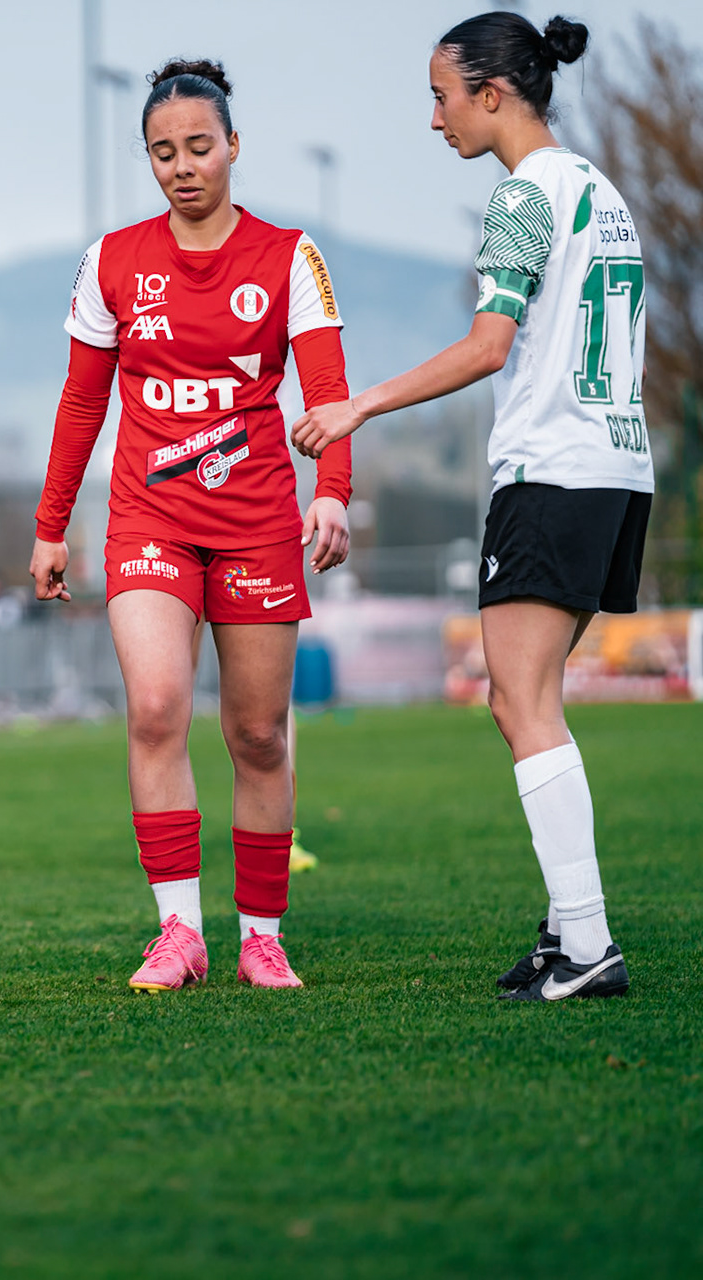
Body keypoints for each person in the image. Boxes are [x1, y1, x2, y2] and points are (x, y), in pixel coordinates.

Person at [293, 13, 640, 1002]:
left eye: (442, 95)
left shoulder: (525, 197)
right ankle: (565, 926)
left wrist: (356, 402)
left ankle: (586, 943)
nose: (434, 117)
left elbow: (491, 345)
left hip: (553, 473)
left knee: (520, 703)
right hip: (615, 470)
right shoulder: (597, 191)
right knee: (530, 700)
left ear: (493, 92)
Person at [30, 57, 353, 992]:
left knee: (257, 735)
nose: (183, 166)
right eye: (163, 152)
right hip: (147, 520)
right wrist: (52, 525)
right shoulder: (114, 260)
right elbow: (82, 402)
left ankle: (261, 934)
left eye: (199, 147)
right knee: (157, 708)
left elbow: (327, 393)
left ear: (234, 147)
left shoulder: (290, 256)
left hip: (256, 522)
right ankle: (179, 932)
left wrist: (330, 487)